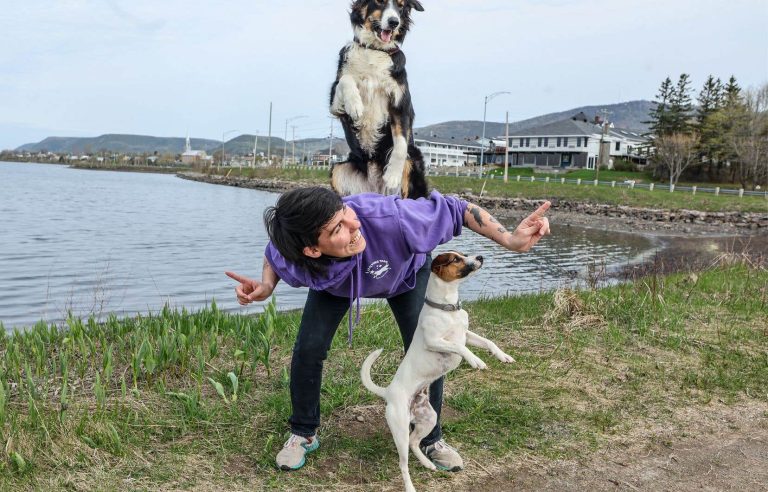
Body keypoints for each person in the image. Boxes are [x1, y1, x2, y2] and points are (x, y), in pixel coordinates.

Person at [226, 186, 550, 472]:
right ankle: (303, 432)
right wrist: (267, 284)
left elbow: (457, 209)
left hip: (405, 276)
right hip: (336, 286)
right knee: (309, 347)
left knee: (429, 347)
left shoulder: (393, 219)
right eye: (338, 227)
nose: (354, 225)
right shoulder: (296, 256)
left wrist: (509, 238)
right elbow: (275, 253)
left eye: (345, 212)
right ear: (311, 250)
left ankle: (429, 438)